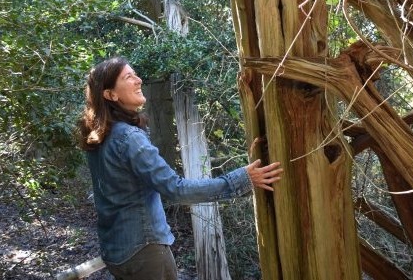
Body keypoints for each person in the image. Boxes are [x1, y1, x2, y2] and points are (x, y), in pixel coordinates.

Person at [77, 56, 282, 280]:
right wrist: (241, 179)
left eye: (136, 74)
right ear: (111, 94)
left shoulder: (100, 135)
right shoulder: (128, 137)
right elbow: (176, 189)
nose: (138, 80)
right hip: (144, 252)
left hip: (116, 252)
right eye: (128, 77)